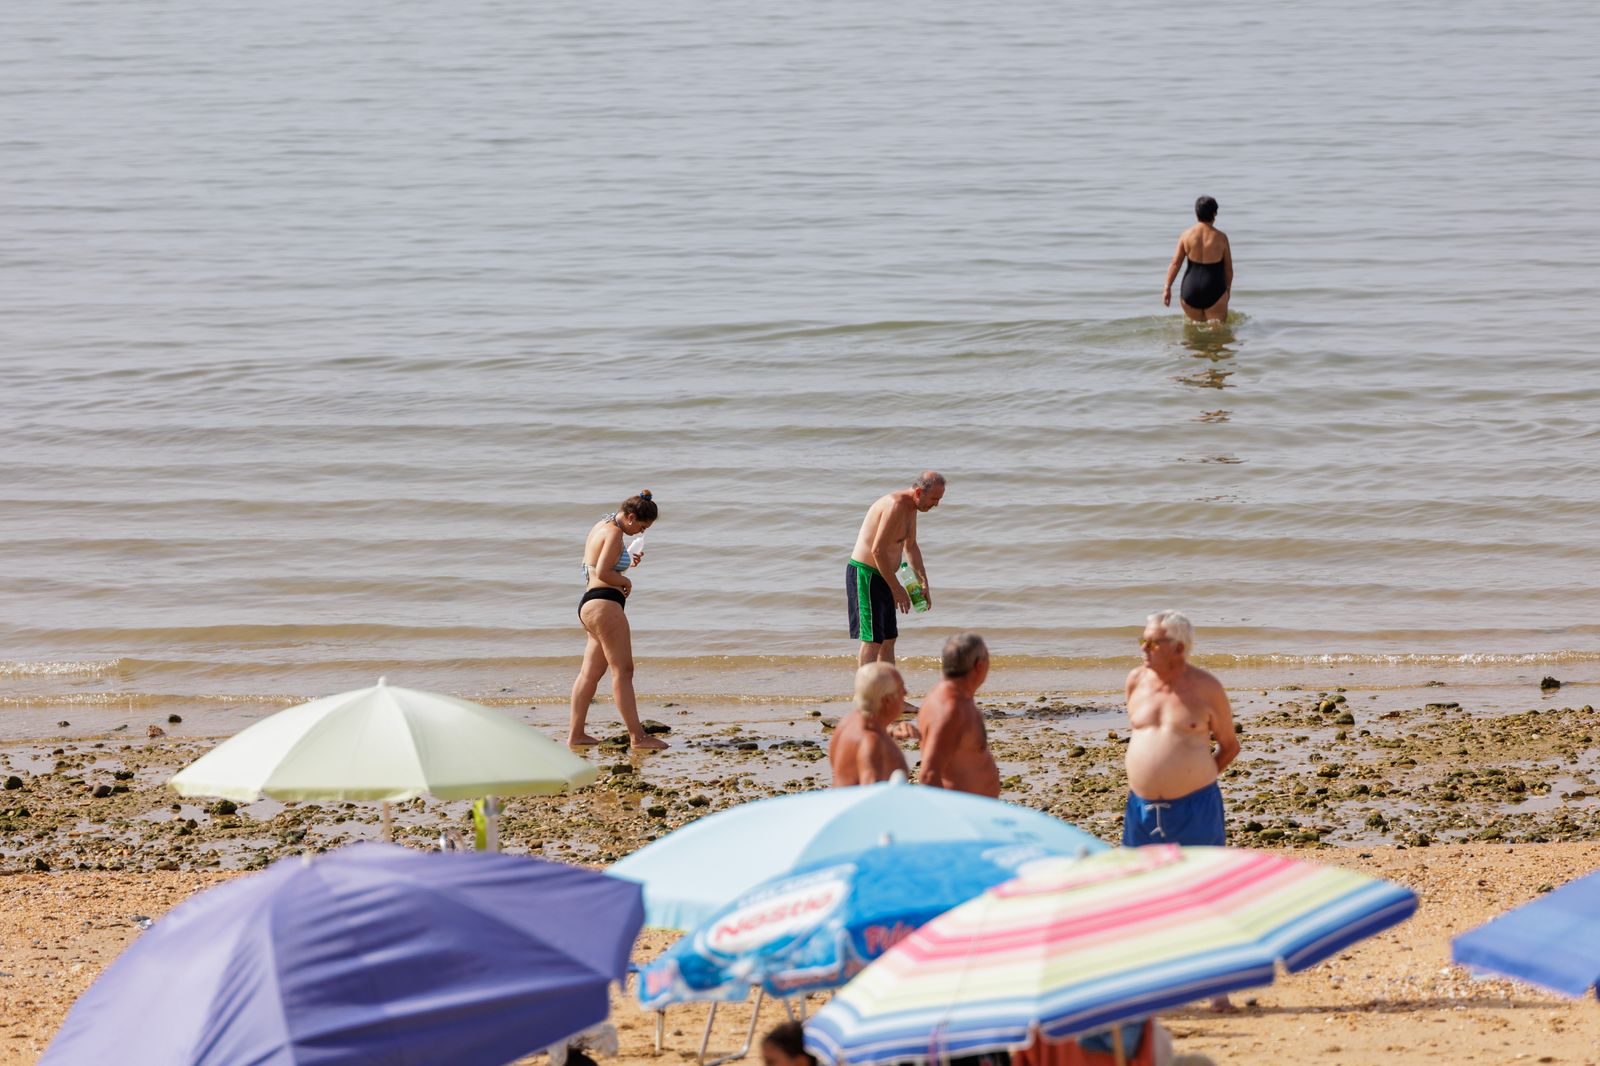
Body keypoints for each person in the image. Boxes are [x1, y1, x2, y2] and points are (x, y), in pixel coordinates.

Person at [1124, 609, 1240, 1012]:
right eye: (1143, 640)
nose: (1143, 648)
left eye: (1151, 642)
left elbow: (1229, 746)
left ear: (1177, 647)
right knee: (1141, 895)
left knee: (1204, 893)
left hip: (1196, 807)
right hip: (1141, 808)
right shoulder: (1136, 681)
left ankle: (1218, 989)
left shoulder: (1207, 688)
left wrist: (1195, 779)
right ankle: (1149, 986)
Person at [567, 491, 669, 750]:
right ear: (631, 517)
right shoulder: (614, 533)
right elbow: (604, 572)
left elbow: (596, 567)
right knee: (623, 671)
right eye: (642, 527)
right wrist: (626, 580)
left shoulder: (603, 524)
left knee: (589, 674)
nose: (640, 533)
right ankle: (638, 737)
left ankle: (576, 735)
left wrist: (626, 562)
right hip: (606, 606)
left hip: (590, 605)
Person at [846, 471, 945, 666]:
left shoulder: (911, 507)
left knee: (889, 639)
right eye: (934, 499)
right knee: (872, 639)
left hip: (885, 575)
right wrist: (896, 588)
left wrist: (923, 581)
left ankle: (888, 686)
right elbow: (877, 551)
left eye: (939, 499)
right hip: (867, 575)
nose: (936, 504)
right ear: (919, 492)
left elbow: (911, 546)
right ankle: (866, 686)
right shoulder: (895, 505)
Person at [895, 631, 1000, 798]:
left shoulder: (957, 696)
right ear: (980, 665)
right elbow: (928, 775)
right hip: (963, 808)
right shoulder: (949, 710)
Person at [829, 662, 911, 787]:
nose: (906, 693)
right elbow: (871, 792)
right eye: (901, 688)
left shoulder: (847, 723)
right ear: (887, 700)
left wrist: (890, 731)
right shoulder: (872, 742)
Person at [1162, 196, 1233, 323]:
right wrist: (1227, 290)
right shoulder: (1221, 238)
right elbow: (1228, 269)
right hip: (1214, 290)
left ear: (1196, 213)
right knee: (1218, 333)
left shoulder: (1186, 235)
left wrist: (1167, 287)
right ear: (1214, 214)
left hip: (1190, 291)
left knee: (1193, 332)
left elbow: (1175, 263)